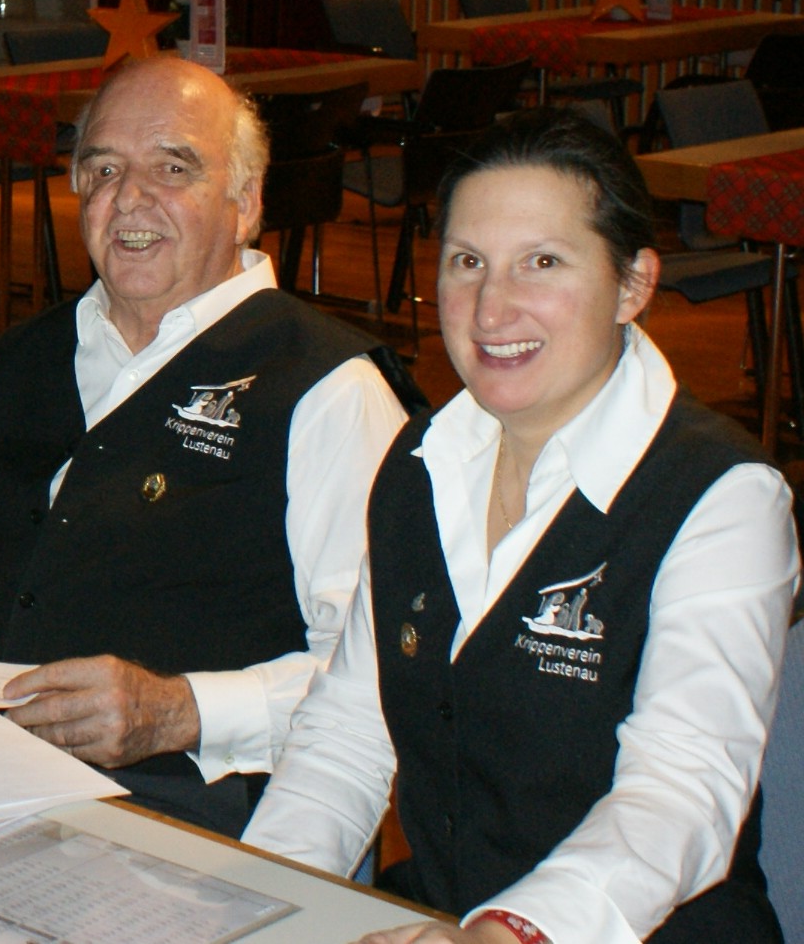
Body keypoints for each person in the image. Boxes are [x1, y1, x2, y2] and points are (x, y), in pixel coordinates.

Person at [0, 55, 415, 835]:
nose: (130, 196)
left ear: (244, 203)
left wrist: (179, 710)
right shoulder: (29, 355)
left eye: (173, 167)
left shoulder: (326, 389)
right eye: (103, 169)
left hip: (181, 815)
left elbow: (379, 676)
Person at [244, 109, 798, 944]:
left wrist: (509, 931)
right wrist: (256, 905)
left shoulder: (723, 496)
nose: (491, 307)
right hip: (442, 918)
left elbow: (681, 792)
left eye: (542, 261)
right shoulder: (418, 463)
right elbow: (348, 736)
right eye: (468, 261)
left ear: (634, 284)